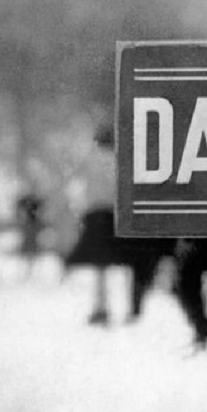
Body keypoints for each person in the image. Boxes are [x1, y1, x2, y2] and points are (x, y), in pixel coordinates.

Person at [62, 124, 171, 325]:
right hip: (120, 213)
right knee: (131, 260)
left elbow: (74, 183)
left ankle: (101, 307)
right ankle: (133, 307)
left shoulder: (90, 160)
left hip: (96, 215)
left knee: (100, 264)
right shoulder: (124, 159)